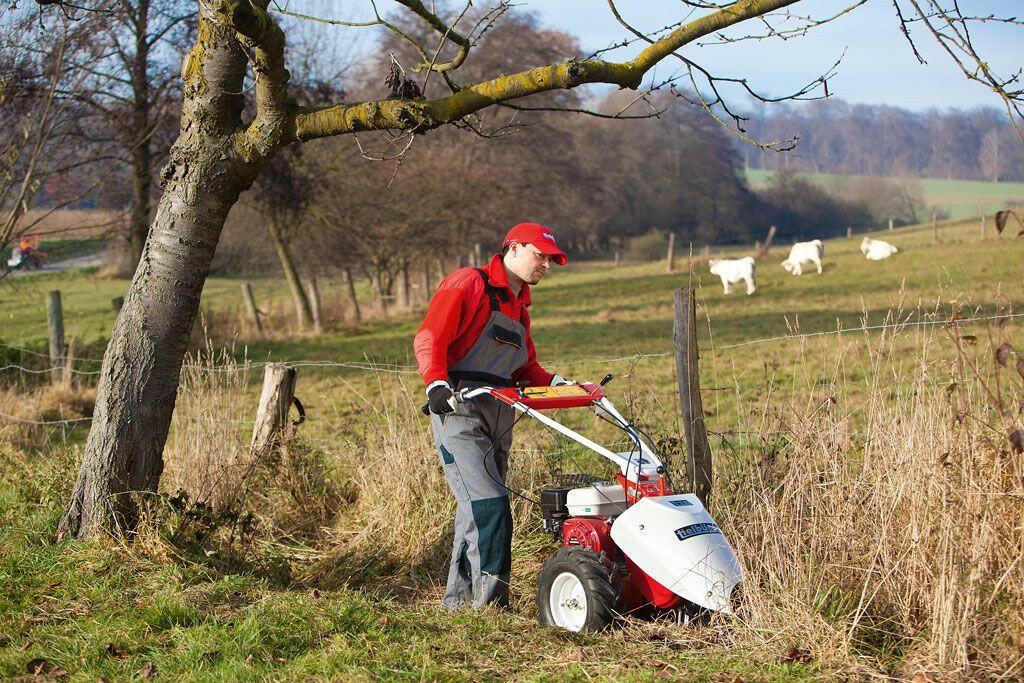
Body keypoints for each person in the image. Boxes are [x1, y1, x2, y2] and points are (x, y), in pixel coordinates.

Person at [414, 222, 571, 609]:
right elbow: (430, 336)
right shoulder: (469, 283)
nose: (546, 266)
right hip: (459, 408)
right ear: (513, 249)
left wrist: (562, 385)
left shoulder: (520, 305)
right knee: (491, 504)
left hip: (500, 413)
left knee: (474, 509)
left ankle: (460, 604)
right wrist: (435, 383)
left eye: (551, 260)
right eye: (540, 256)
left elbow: (526, 369)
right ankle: (491, 606)